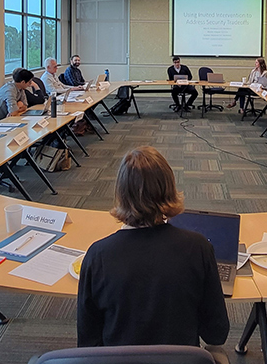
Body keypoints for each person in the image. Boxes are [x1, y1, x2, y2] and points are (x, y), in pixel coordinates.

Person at [77, 146, 230, 351]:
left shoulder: (97, 255)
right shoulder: (198, 247)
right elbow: (216, 334)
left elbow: (87, 342)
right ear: (169, 188)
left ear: (121, 193)